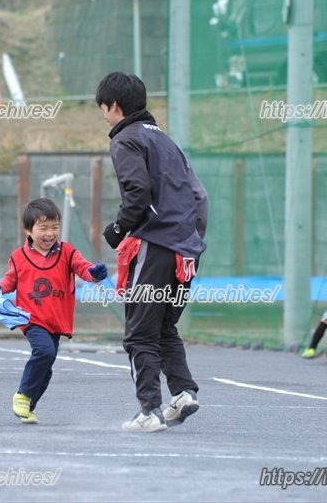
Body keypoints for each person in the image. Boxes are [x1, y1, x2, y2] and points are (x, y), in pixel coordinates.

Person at [96, 72, 209, 432]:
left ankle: (149, 411)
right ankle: (183, 393)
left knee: (138, 334)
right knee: (163, 327)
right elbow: (200, 197)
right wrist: (190, 241)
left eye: (103, 109)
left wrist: (119, 228)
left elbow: (138, 193)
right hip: (187, 250)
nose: (104, 116)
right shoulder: (166, 141)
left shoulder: (126, 139)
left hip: (157, 246)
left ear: (114, 106)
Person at [0, 198, 108, 424]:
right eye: (43, 228)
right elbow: (10, 281)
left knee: (47, 364)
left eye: (55, 227)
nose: (50, 233)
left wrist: (94, 273)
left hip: (56, 321)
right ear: (28, 230)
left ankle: (28, 406)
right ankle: (22, 395)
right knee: (44, 352)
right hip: (31, 319)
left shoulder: (67, 252)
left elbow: (83, 267)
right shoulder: (18, 257)